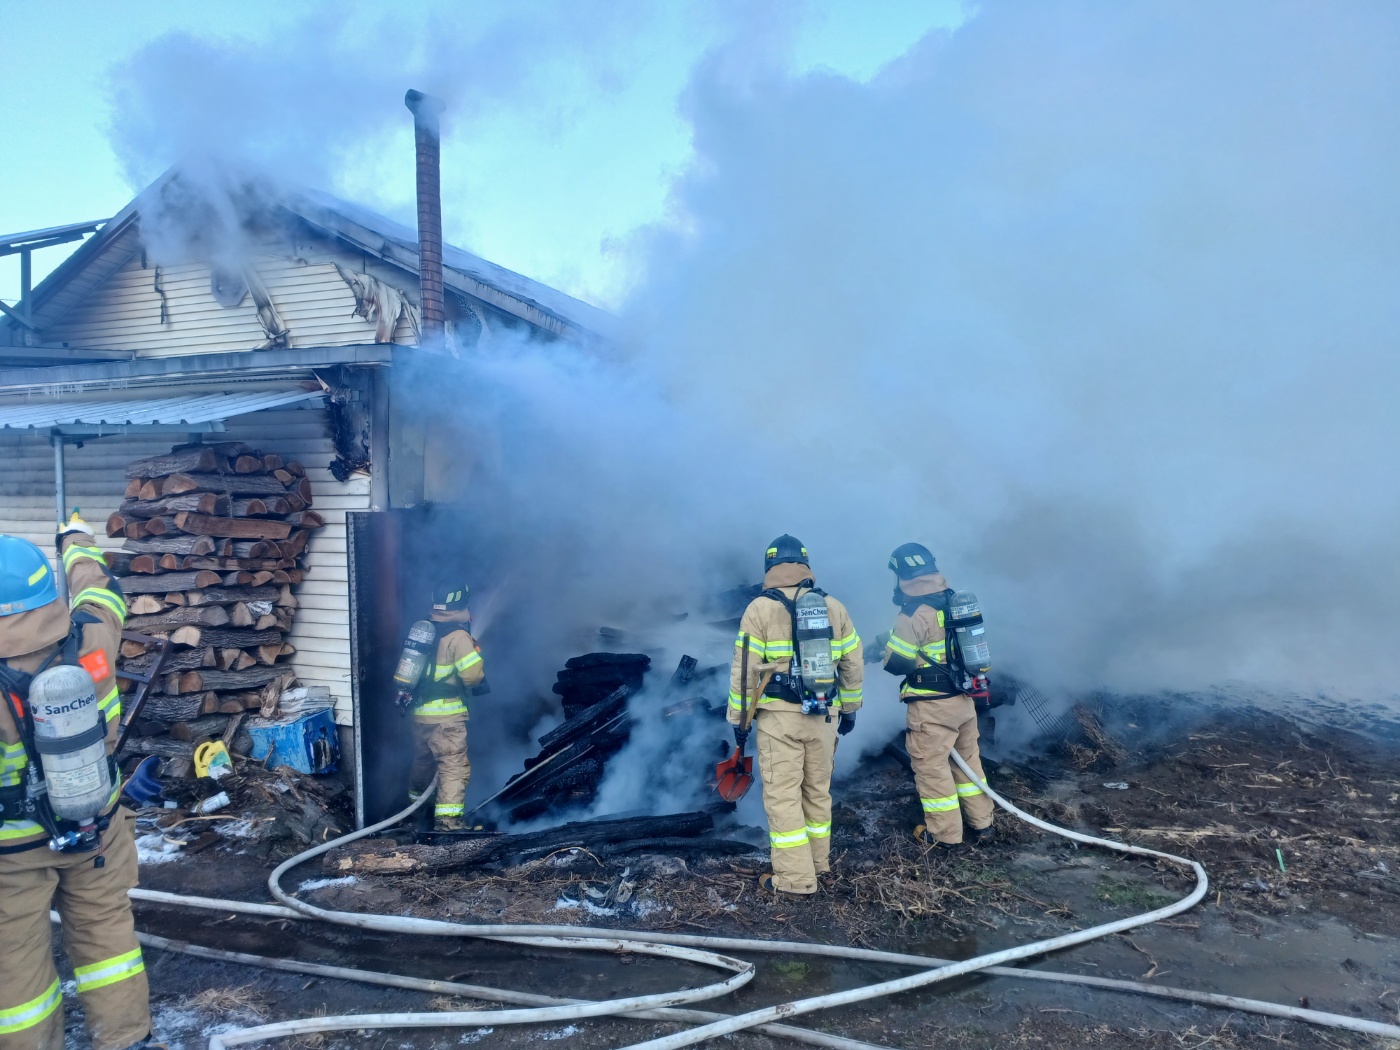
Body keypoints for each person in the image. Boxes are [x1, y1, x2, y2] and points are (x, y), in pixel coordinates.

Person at [0, 516, 160, 1050]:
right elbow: (101, 585)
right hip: (97, 822)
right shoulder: (90, 630)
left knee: (16, 963)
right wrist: (75, 540)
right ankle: (126, 1038)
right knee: (107, 937)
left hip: (12, 849)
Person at [727, 535, 862, 896]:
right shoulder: (834, 606)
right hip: (824, 715)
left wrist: (739, 722)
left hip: (780, 718)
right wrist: (849, 710)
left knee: (783, 797)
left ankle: (794, 879)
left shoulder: (760, 609)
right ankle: (818, 863)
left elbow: (745, 672)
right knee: (817, 791)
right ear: (805, 565)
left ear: (770, 568)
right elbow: (852, 662)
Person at [881, 542, 995, 849]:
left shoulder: (911, 613)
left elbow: (898, 663)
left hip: (931, 708)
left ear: (902, 576)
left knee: (933, 771)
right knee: (969, 763)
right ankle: (983, 824)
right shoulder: (953, 600)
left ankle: (945, 836)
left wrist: (885, 651)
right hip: (963, 700)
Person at [407, 581, 484, 831]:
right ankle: (449, 825)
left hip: (420, 715)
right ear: (461, 603)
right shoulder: (459, 637)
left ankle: (417, 814)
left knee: (423, 764)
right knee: (453, 767)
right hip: (447, 718)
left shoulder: (422, 629)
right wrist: (477, 657)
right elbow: (472, 677)